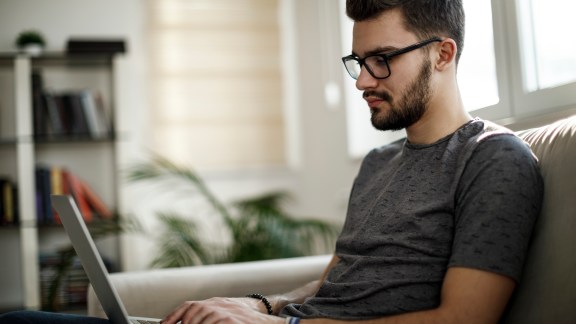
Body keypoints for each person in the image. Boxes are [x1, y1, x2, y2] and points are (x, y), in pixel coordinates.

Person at [0, 0, 543, 323]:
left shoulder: (492, 159)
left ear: (443, 54)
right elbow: (336, 281)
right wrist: (263, 304)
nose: (363, 82)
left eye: (382, 61)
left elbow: (465, 319)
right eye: (359, 61)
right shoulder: (379, 163)